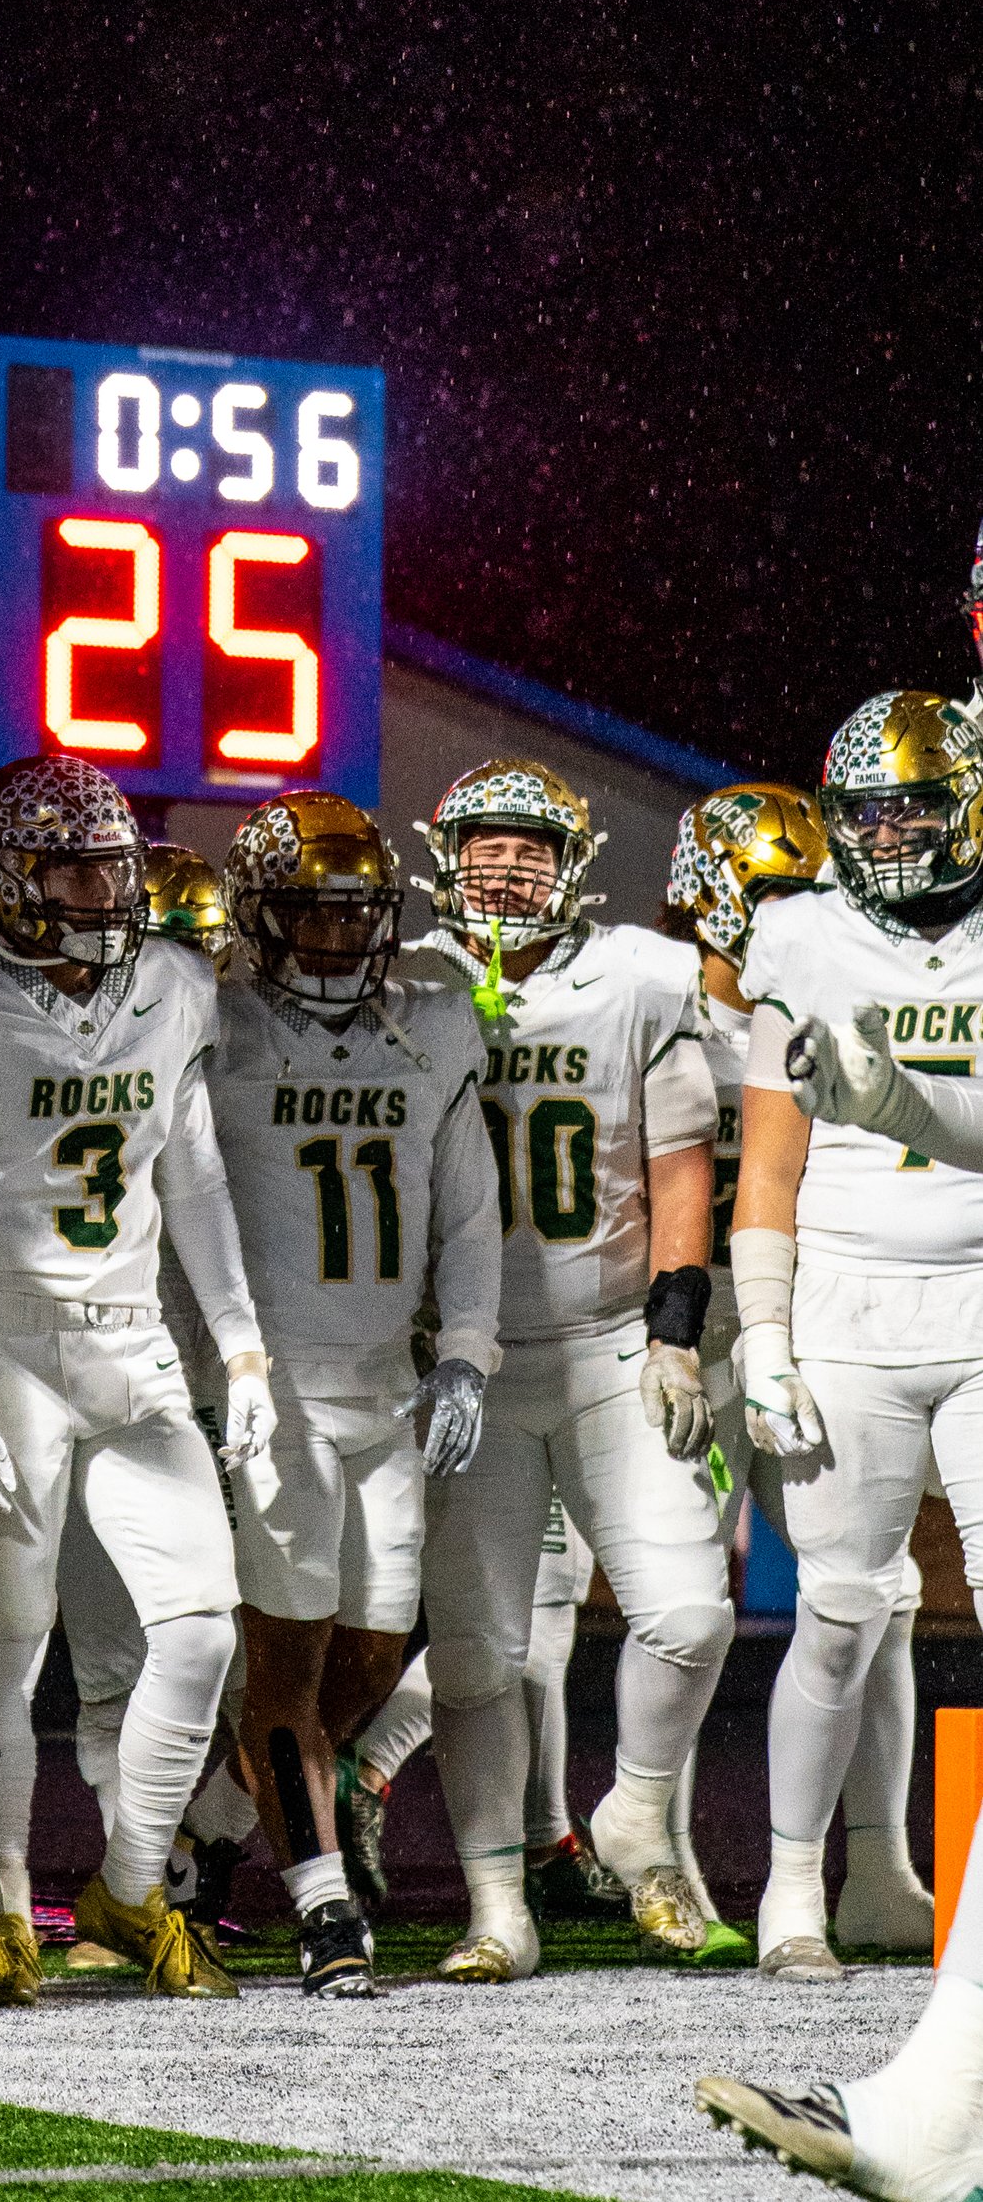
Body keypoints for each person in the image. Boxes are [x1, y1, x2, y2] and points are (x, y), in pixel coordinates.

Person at [0, 752, 263, 2009]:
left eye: (114, 864)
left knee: (202, 1627)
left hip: (131, 1342)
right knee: (11, 1635)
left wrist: (243, 1345)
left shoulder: (171, 983)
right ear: (4, 879)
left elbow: (194, 1182)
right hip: (9, 1341)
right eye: (74, 866)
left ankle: (129, 1878)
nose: (106, 890)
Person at [700, 701, 983, 2192]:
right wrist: (763, 1332)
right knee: (842, 1608)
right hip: (851, 1299)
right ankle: (797, 1886)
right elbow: (769, 1155)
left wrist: (893, 1093)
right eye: (864, 811)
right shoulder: (799, 935)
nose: (890, 835)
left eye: (916, 807)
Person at [409, 756, 733, 1977]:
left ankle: (635, 1806)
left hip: (606, 1342)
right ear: (447, 857)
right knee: (480, 1650)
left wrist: (674, 1326)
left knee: (690, 1612)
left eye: (530, 847)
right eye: (484, 845)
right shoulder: (409, 981)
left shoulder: (639, 980)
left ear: (573, 867)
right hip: (464, 1362)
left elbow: (680, 1161)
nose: (505, 865)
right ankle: (497, 1905)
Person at [203, 791, 501, 1998]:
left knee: (371, 1660)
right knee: (281, 1661)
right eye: (308, 916)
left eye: (352, 916)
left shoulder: (432, 1024)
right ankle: (327, 1910)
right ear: (258, 917)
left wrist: (467, 1349)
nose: (334, 939)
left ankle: (216, 1828)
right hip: (278, 1390)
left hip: (385, 1384)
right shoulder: (213, 1026)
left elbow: (469, 1208)